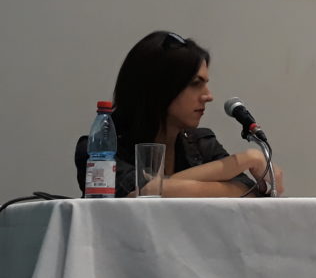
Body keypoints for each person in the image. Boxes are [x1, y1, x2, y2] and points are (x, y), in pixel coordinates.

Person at [75, 30, 283, 198]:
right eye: (195, 84)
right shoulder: (101, 151)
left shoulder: (201, 144)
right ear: (157, 88)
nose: (208, 96)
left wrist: (167, 188)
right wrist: (243, 160)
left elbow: (247, 191)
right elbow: (140, 194)